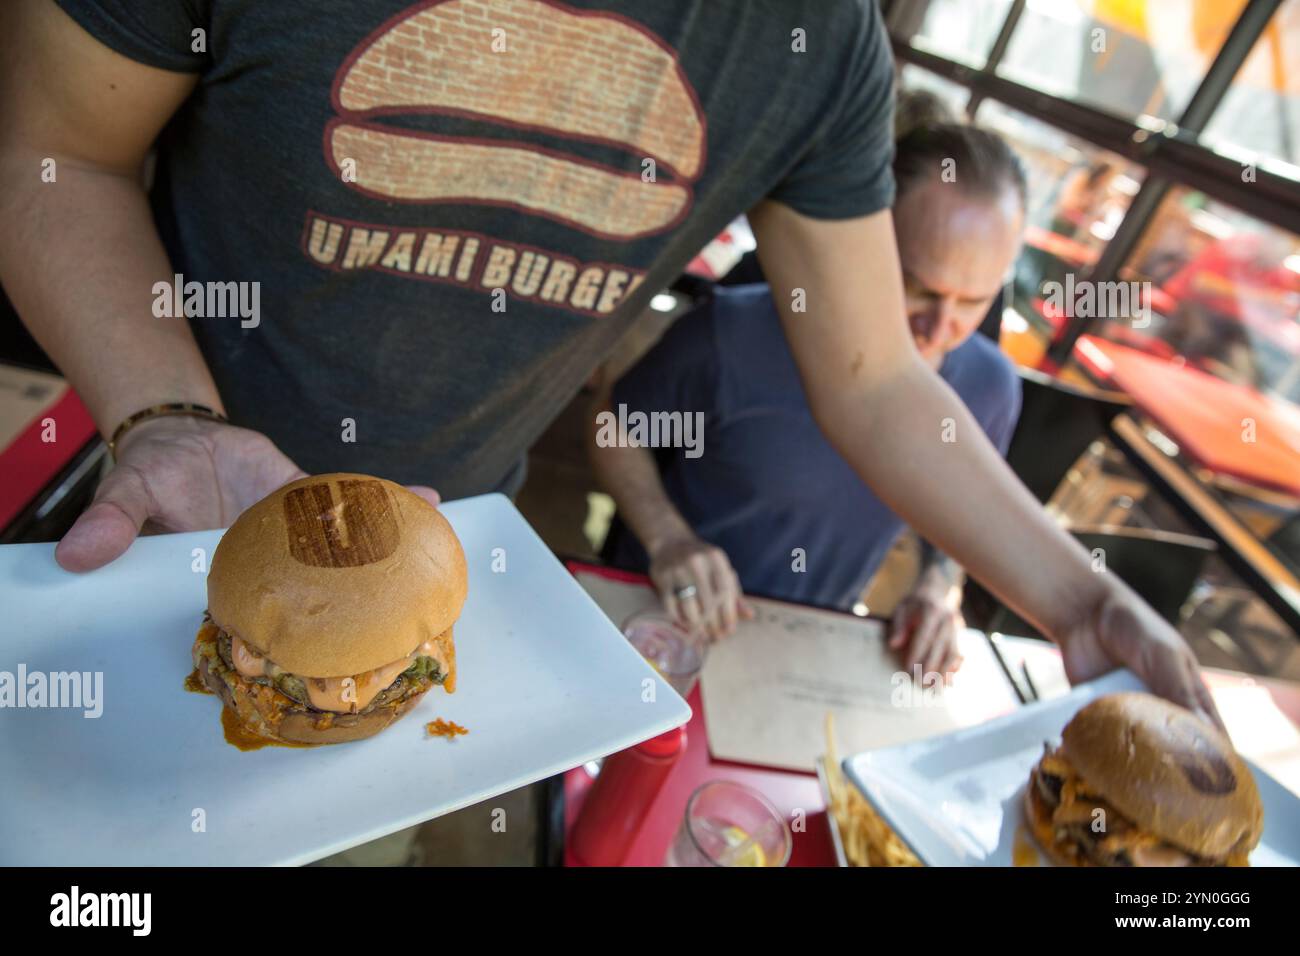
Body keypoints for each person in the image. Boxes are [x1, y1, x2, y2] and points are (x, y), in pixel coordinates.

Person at [0, 0, 1220, 726]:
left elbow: (875, 376)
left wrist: (1082, 594)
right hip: (155, 514)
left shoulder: (815, 41)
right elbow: (55, 156)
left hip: (454, 562)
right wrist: (163, 417)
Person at [591, 118, 1027, 679]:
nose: (940, 328)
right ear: (863, 238)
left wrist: (939, 584)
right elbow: (614, 428)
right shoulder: (734, 334)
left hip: (806, 650)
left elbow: (964, 512)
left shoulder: (990, 388)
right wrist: (668, 537)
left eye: (974, 300)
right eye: (918, 287)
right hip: (660, 624)